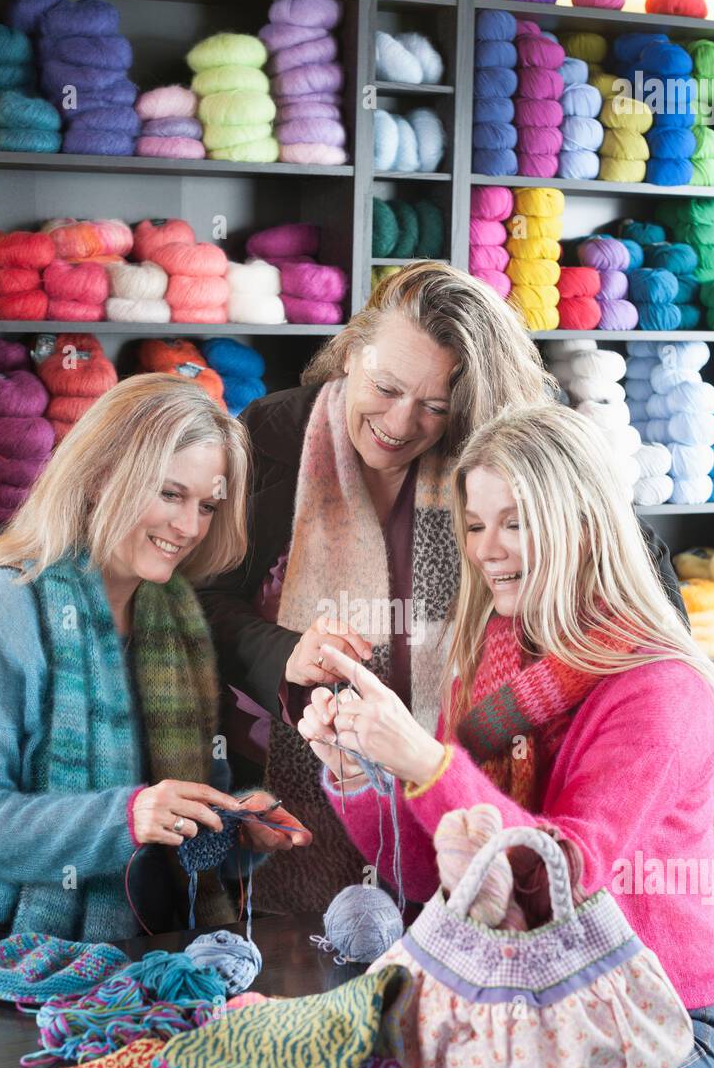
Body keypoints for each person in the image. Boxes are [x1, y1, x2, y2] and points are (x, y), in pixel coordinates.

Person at [199, 262, 684, 912]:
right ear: (353, 350)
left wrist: (686, 676)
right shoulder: (274, 439)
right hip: (311, 792)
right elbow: (198, 600)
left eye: (434, 407)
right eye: (386, 387)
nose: (400, 424)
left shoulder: (501, 448)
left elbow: (627, 557)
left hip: (481, 805)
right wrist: (282, 651)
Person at [299, 400, 714, 1068]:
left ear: (583, 528)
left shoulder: (660, 688)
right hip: (515, 991)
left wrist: (425, 762)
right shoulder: (486, 666)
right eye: (476, 524)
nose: (486, 548)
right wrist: (356, 772)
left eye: (515, 522)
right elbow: (431, 876)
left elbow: (554, 877)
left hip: (653, 1013)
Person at [0, 373, 309, 965]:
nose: (189, 527)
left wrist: (235, 825)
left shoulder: (176, 618)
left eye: (207, 505)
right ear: (100, 477)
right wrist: (130, 816)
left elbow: (162, 821)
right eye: (169, 494)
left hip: (144, 948)